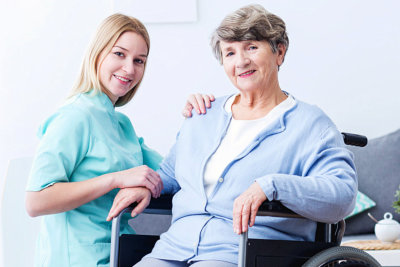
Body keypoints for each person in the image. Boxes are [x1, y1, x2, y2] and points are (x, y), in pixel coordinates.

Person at [108, 4, 358, 267]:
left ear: (279, 52)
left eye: (251, 47)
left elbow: (342, 195)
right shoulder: (204, 114)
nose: (241, 61)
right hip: (173, 249)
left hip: (243, 254)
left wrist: (271, 186)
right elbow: (172, 175)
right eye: (230, 52)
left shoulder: (310, 124)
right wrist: (145, 184)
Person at [25, 14, 213, 267]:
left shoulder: (121, 125)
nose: (129, 69)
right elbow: (36, 201)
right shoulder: (74, 117)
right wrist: (115, 179)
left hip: (121, 252)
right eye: (119, 54)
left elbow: (173, 173)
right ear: (98, 53)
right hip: (77, 259)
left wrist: (199, 118)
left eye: (139, 61)